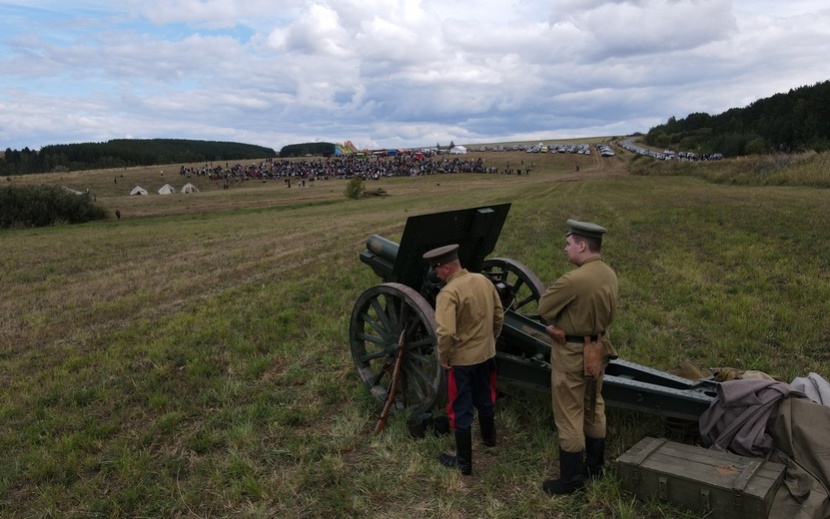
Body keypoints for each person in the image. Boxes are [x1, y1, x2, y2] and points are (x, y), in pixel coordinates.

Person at [538, 219, 618, 495]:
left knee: (568, 413)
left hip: (571, 353)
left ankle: (570, 481)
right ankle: (594, 468)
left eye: (569, 243)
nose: (565, 248)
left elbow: (544, 308)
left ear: (582, 245)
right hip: (597, 349)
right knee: (594, 405)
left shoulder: (573, 280)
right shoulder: (609, 274)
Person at [423, 244, 504, 476]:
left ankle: (464, 463)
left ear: (446, 267)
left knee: (459, 407)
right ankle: (490, 440)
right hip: (487, 355)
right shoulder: (483, 280)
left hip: (462, 361)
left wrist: (444, 357)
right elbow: (499, 315)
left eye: (437, 269)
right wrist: (491, 341)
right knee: (486, 397)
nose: (436, 274)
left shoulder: (448, 293)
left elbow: (446, 332)